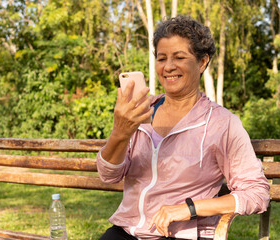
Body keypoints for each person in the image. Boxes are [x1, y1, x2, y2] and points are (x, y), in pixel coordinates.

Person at [97, 16, 270, 240]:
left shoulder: (222, 123)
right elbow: (108, 175)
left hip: (180, 235)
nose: (168, 67)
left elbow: (257, 194)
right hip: (126, 232)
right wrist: (120, 132)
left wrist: (188, 208)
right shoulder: (140, 111)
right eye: (161, 58)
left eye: (179, 57)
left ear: (202, 62)